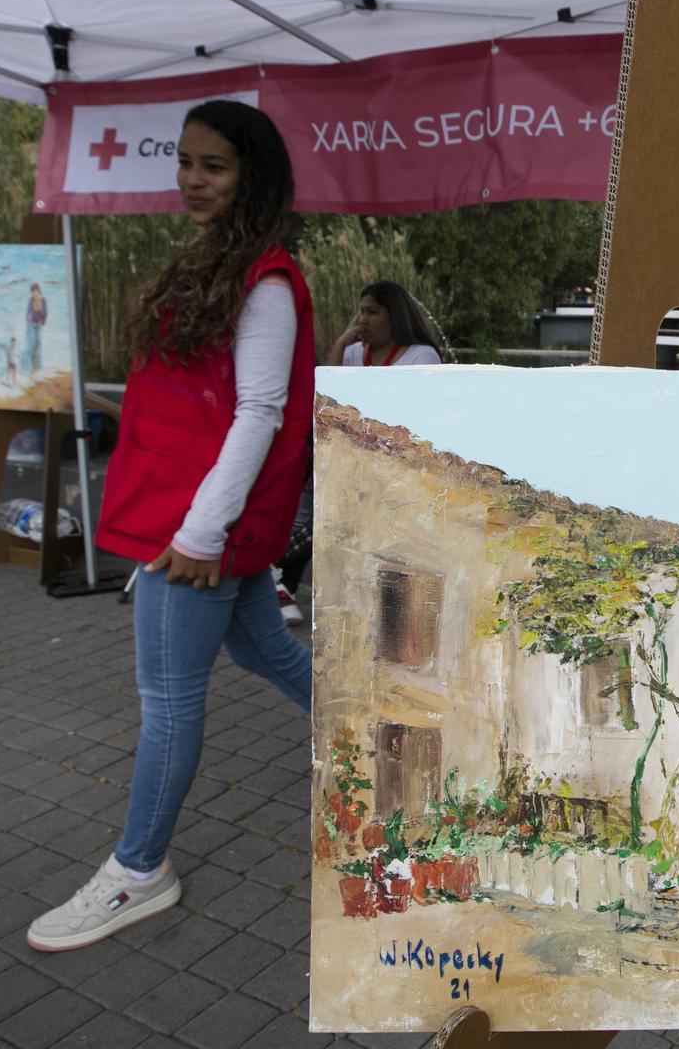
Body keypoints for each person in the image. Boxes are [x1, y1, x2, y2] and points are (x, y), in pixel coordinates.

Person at [27, 100, 315, 952]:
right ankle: (377, 733)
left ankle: (140, 870)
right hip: (190, 515)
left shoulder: (263, 279)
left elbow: (261, 413)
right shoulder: (217, 265)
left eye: (214, 166)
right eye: (186, 162)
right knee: (264, 649)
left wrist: (199, 536)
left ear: (251, 176)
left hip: (194, 530)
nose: (192, 179)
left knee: (169, 701)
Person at [270, 281, 446, 624]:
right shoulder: (353, 353)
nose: (363, 320)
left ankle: (277, 576)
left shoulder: (420, 356)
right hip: (345, 453)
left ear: (394, 315)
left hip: (392, 461)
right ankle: (280, 581)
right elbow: (325, 394)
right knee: (317, 511)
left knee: (329, 517)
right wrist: (338, 345)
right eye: (361, 312)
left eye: (372, 312)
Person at [25, 282, 47, 375]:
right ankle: (28, 368)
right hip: (30, 325)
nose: (34, 294)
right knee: (31, 344)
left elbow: (45, 313)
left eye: (36, 292)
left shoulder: (43, 301)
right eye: (33, 292)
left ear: (39, 291)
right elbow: (29, 315)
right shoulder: (31, 301)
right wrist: (35, 314)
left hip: (38, 325)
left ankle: (38, 368)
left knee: (38, 345)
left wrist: (42, 320)